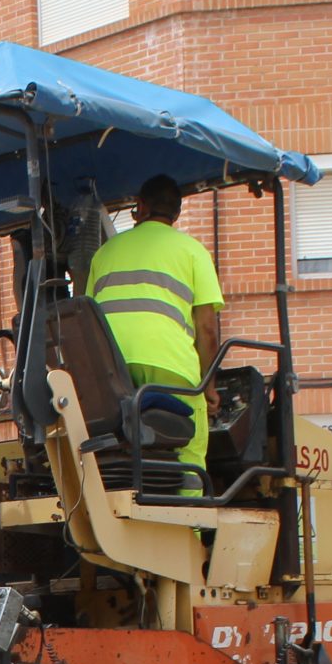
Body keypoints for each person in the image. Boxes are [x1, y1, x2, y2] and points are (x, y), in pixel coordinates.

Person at [85, 175, 225, 478]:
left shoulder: (104, 253)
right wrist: (209, 388)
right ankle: (191, 521)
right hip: (171, 369)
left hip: (112, 369)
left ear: (140, 206)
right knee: (189, 449)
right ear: (176, 212)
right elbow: (207, 329)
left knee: (118, 446)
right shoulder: (193, 252)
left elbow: (88, 318)